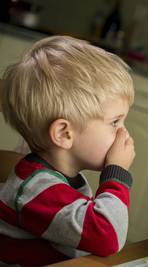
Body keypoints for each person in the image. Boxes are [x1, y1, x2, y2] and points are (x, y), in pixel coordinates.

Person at [0, 35, 135, 266]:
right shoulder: (36, 189)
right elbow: (107, 237)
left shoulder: (59, 177)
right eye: (115, 122)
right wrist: (117, 174)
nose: (124, 133)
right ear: (64, 134)